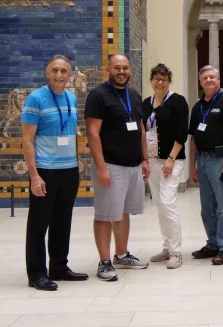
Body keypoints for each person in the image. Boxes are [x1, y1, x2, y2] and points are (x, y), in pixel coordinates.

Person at [21, 54, 88, 291]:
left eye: (64, 71)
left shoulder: (70, 97)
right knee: (39, 223)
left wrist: (77, 167)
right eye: (55, 70)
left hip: (68, 169)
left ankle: (59, 266)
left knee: (63, 220)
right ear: (47, 73)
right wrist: (34, 175)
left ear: (69, 74)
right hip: (45, 170)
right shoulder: (35, 99)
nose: (59, 75)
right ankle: (37, 273)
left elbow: (71, 135)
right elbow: (27, 140)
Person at [85, 54, 150, 282]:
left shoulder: (133, 94)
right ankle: (104, 262)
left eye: (125, 68)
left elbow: (141, 128)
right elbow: (93, 133)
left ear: (129, 70)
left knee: (123, 211)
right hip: (110, 165)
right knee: (105, 213)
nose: (121, 71)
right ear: (108, 69)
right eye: (117, 68)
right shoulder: (98, 95)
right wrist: (101, 167)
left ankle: (121, 255)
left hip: (133, 164)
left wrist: (144, 159)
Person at [188, 65, 223, 265]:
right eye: (205, 78)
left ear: (218, 80)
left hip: (220, 160)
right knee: (207, 207)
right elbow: (193, 138)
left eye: (212, 77)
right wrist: (192, 166)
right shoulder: (197, 107)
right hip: (202, 161)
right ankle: (212, 244)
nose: (209, 80)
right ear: (200, 82)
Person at [141, 64, 189, 269]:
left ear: (169, 82)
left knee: (168, 202)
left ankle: (176, 252)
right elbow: (142, 133)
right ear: (151, 80)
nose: (159, 83)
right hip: (152, 161)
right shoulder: (145, 104)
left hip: (172, 160)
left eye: (163, 79)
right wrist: (144, 160)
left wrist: (170, 159)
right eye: (156, 79)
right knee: (159, 205)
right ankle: (167, 246)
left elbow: (181, 133)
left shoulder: (178, 102)